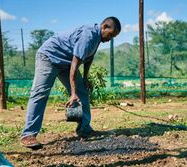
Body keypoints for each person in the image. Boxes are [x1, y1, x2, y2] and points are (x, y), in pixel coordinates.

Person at [20, 16, 121, 149]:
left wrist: (85, 78)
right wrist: (73, 94)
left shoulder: (97, 38)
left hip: (66, 62)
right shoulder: (88, 35)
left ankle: (84, 129)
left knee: (82, 92)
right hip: (49, 57)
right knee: (40, 94)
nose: (110, 39)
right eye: (110, 34)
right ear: (104, 27)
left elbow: (88, 58)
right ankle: (28, 135)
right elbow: (75, 64)